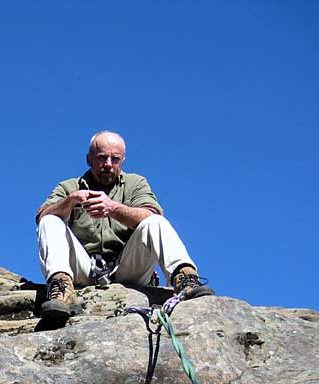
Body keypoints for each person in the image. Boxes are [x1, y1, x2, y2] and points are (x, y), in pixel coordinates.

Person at [36, 131, 213, 324]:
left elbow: (150, 214)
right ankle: (62, 289)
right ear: (89, 159)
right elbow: (42, 217)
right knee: (50, 220)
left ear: (123, 161)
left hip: (128, 267)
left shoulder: (136, 183)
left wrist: (113, 208)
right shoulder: (69, 186)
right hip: (84, 269)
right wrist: (70, 201)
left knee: (155, 222)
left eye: (115, 159)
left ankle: (185, 279)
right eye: (102, 157)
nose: (108, 164)